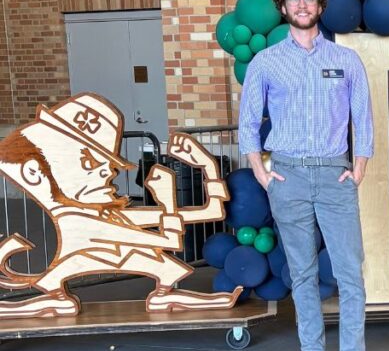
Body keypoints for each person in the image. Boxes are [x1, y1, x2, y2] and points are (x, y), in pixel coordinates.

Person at [238, 0, 381, 351]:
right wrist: (260, 170)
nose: (302, 6)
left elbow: (363, 118)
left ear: (320, 6)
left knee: (349, 272)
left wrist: (360, 166)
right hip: (288, 175)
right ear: (283, 7)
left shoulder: (345, 60)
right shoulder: (266, 62)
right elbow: (248, 121)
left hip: (335, 173)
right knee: (301, 273)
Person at [0, 93, 240, 317]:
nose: (108, 171)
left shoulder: (105, 214)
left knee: (161, 277)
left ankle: (166, 298)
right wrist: (166, 199)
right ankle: (23, 307)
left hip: (113, 264)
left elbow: (211, 212)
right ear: (34, 172)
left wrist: (208, 168)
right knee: (61, 302)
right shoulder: (80, 221)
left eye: (109, 163)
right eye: (89, 161)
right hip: (70, 267)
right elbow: (170, 242)